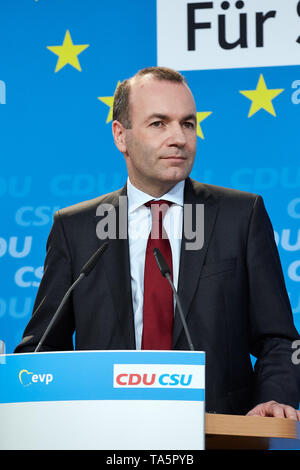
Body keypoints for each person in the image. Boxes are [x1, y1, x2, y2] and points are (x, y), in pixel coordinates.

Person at [15, 66, 300, 419]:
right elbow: (43, 350)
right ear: (121, 136)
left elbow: (279, 339)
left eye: (188, 123)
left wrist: (272, 398)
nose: (179, 137)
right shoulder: (77, 229)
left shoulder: (240, 216)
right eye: (159, 123)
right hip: (105, 432)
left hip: (219, 433)